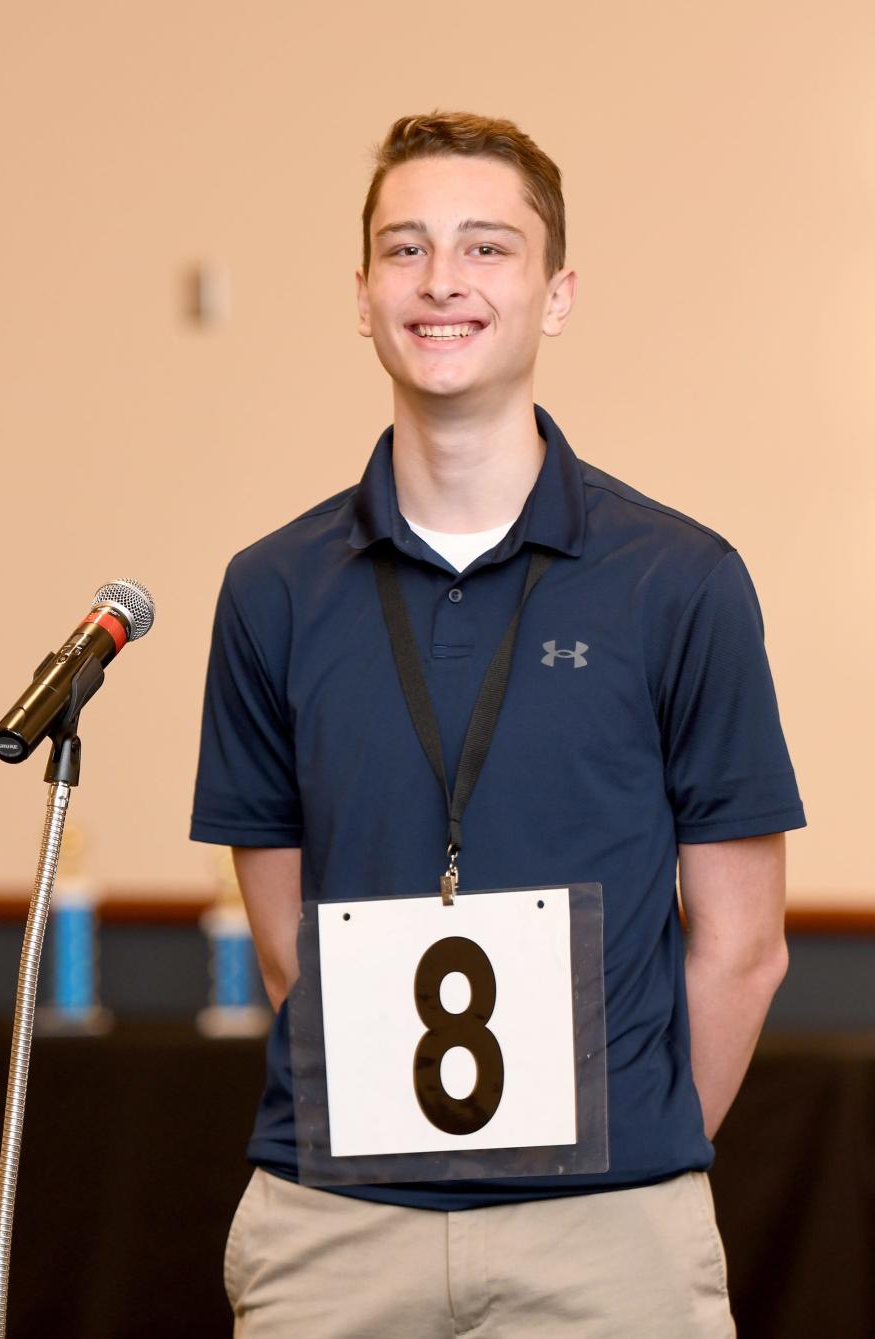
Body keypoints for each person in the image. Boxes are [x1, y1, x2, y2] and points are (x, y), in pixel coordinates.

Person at [190, 110, 806, 1338]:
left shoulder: (680, 580)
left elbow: (743, 947)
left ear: (556, 292)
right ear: (362, 295)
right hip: (335, 1225)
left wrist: (635, 1158)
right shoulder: (271, 589)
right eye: (404, 249)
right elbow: (284, 940)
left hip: (612, 1231)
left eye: (487, 248)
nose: (442, 282)